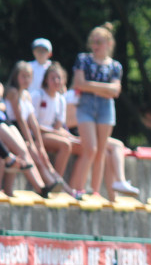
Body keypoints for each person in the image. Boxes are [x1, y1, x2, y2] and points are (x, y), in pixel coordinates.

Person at [56, 68, 141, 199]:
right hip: (76, 135)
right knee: (112, 146)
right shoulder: (72, 96)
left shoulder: (77, 96)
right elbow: (70, 122)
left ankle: (112, 195)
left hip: (84, 134)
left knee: (106, 153)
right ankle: (114, 184)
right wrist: (89, 125)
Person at [70, 23, 123, 198]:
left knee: (101, 152)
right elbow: (79, 84)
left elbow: (115, 91)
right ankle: (78, 189)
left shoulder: (115, 66)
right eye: (93, 42)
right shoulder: (83, 59)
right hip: (86, 106)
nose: (95, 46)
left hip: (105, 108)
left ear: (108, 43)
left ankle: (95, 191)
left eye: (99, 42)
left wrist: (90, 86)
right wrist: (104, 88)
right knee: (90, 149)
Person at [5, 61, 66, 196]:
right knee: (29, 152)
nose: (26, 80)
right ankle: (45, 184)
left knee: (37, 153)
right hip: (13, 128)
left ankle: (48, 183)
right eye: (23, 76)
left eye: (29, 77)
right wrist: (32, 143)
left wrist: (39, 144)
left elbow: (33, 122)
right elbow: (20, 120)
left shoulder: (26, 94)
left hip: (21, 131)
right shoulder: (13, 92)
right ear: (16, 77)